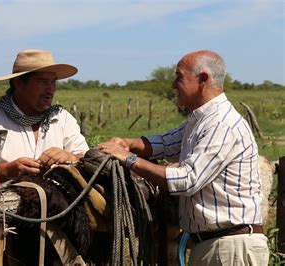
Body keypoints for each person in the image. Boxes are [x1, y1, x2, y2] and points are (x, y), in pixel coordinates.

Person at [98, 50, 269, 265]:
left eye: (179, 76)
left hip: (229, 247)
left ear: (203, 79)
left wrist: (128, 158)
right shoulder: (201, 121)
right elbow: (165, 142)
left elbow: (186, 180)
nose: (173, 85)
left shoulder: (221, 124)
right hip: (216, 245)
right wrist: (127, 143)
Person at [0, 49, 89, 186]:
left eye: (53, 82)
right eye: (43, 82)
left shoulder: (62, 118)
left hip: (60, 206)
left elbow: (87, 161)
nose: (50, 90)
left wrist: (70, 157)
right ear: (18, 83)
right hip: (2, 205)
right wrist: (7, 171)